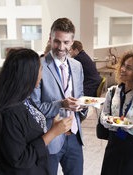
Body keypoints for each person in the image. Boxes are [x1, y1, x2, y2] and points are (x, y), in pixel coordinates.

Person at [0, 48, 73, 174]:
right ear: (28, 74)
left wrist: (53, 127)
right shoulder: (9, 112)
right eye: (41, 69)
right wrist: (52, 133)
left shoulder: (25, 99)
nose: (43, 74)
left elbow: (28, 135)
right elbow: (20, 159)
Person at [31, 18, 87, 175]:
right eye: (57, 41)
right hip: (50, 138)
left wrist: (81, 106)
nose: (61, 47)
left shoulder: (77, 66)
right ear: (50, 38)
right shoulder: (39, 66)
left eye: (66, 42)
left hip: (75, 137)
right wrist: (61, 104)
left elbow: (80, 96)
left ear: (72, 42)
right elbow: (34, 108)